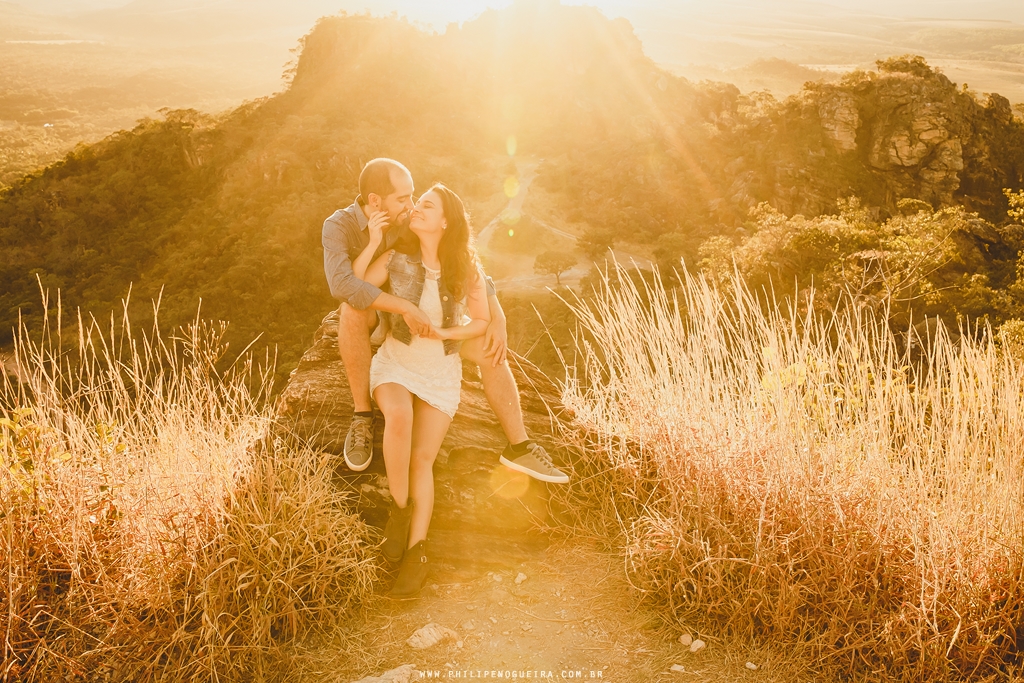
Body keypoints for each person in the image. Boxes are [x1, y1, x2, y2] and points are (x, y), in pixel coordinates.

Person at [322, 158, 568, 484]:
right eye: (404, 199)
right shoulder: (339, 226)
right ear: (375, 201)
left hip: (431, 318)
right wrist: (404, 309)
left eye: (414, 198)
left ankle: (520, 446)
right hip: (381, 316)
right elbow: (344, 287)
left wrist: (498, 317)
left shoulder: (408, 220)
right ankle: (362, 417)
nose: (411, 206)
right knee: (351, 310)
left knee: (491, 349)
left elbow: (461, 259)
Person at [353, 183, 487, 596]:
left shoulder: (464, 267)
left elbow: (480, 321)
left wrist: (444, 332)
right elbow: (355, 286)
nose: (417, 209)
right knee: (399, 415)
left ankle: (417, 552)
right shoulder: (396, 258)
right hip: (396, 364)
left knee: (423, 459)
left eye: (427, 205)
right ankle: (399, 510)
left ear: (446, 220)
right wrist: (374, 240)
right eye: (417, 204)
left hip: (440, 373)